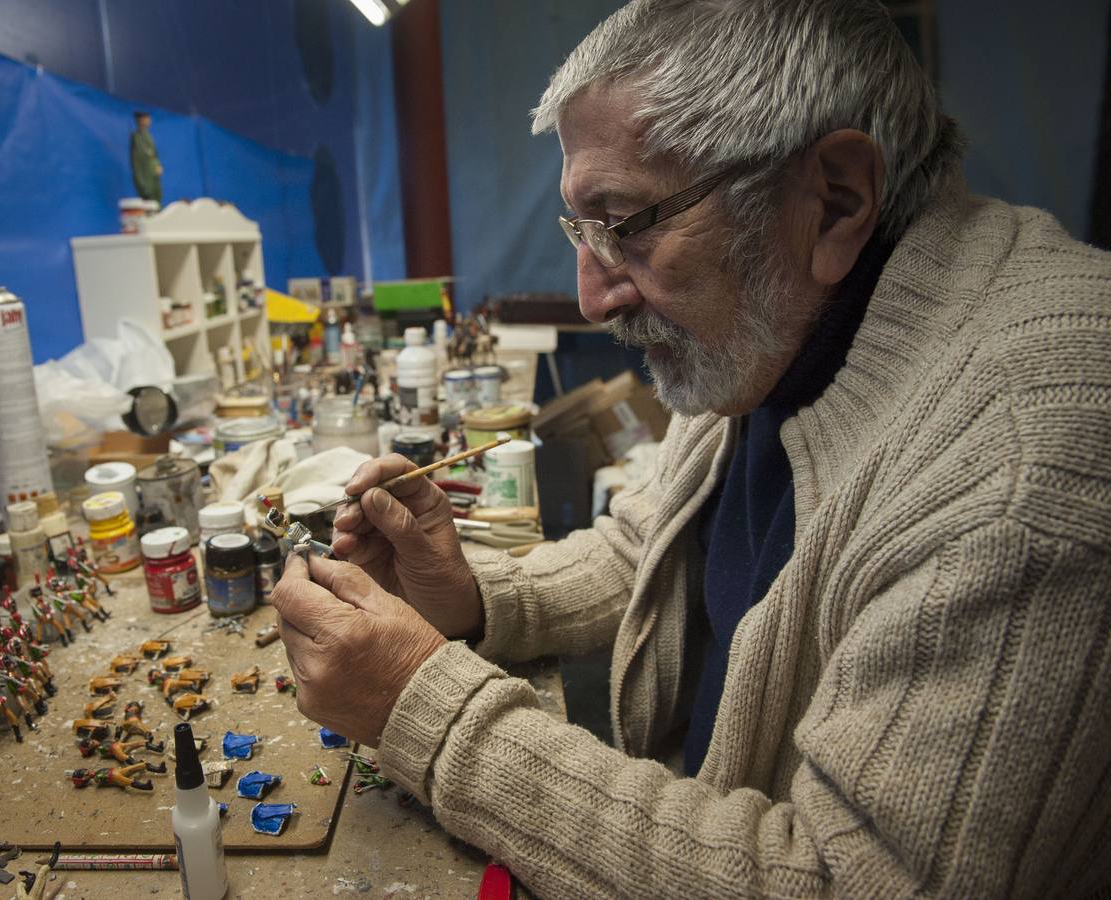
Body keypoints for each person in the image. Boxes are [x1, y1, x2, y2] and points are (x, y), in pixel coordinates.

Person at [270, 0, 1111, 897]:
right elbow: (652, 547)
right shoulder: (774, 310)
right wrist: (471, 593)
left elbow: (848, 879)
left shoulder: (1025, 460)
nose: (591, 296)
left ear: (834, 198)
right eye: (579, 228)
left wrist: (425, 710)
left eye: (625, 222)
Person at [129, 111, 163, 208]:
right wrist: (141, 183)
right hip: (146, 179)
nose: (149, 121)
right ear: (140, 120)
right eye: (146, 118)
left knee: (156, 203)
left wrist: (157, 165)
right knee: (149, 204)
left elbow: (153, 155)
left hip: (153, 176)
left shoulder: (148, 136)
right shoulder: (137, 137)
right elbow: (138, 162)